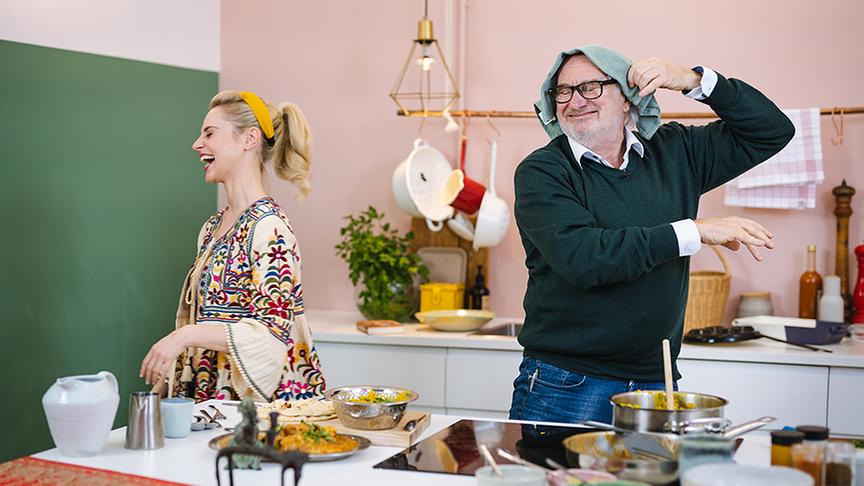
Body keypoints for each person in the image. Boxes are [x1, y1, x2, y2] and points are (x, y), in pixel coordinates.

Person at [510, 45, 795, 427]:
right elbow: (583, 259)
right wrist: (693, 232)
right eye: (563, 91)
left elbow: (772, 130)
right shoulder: (544, 171)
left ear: (629, 99)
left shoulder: (676, 151)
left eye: (592, 87)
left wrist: (693, 81)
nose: (575, 100)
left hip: (655, 382)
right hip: (567, 384)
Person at [140, 90, 326, 402]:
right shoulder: (212, 228)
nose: (197, 144)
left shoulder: (271, 228)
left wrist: (184, 336)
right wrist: (173, 379)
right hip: (209, 396)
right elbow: (207, 317)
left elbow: (272, 332)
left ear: (249, 139)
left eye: (209, 133)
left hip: (260, 410)